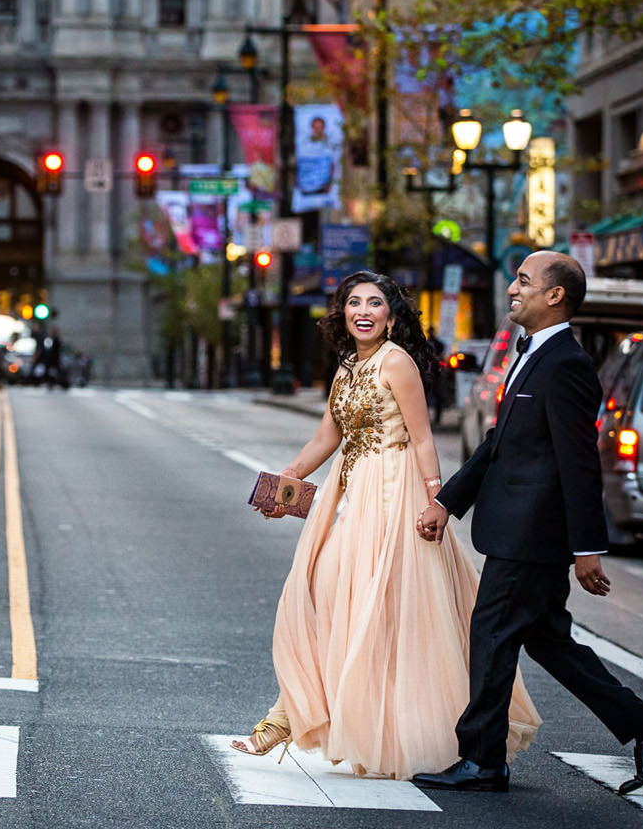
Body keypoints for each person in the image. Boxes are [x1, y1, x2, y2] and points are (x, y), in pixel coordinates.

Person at [231, 271, 541, 780]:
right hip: (353, 491)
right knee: (327, 591)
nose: (364, 311)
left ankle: (298, 716)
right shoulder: (348, 366)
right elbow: (325, 438)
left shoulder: (396, 363)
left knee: (381, 611)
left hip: (395, 493)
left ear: (391, 316)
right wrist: (287, 479)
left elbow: (422, 440)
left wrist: (434, 503)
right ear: (343, 314)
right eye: (355, 302)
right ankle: (298, 708)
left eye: (375, 303)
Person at [414, 252, 643, 795]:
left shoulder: (567, 365)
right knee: (547, 640)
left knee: (490, 636)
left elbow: (578, 461)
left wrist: (587, 548)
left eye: (522, 281)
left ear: (555, 295)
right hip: (520, 530)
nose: (512, 289)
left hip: (531, 535)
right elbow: (498, 445)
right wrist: (447, 500)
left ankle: (484, 759)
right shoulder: (534, 356)